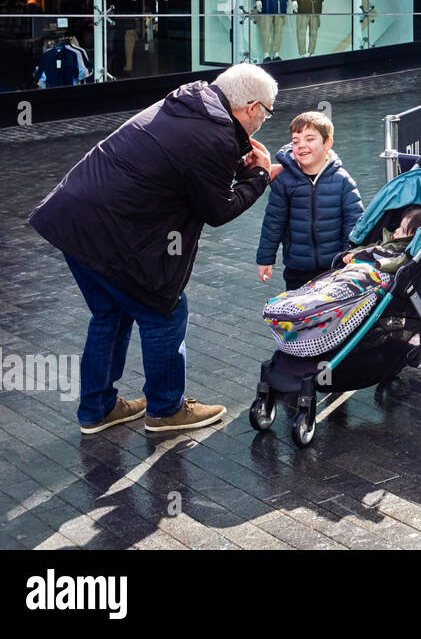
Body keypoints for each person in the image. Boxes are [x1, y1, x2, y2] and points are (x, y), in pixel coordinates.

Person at [28, 64, 282, 434]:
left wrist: (239, 161)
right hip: (112, 232)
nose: (264, 121)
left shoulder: (189, 101)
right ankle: (166, 409)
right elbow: (217, 210)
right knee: (165, 311)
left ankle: (97, 409)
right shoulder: (214, 135)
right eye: (267, 113)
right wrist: (259, 176)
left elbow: (192, 169)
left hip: (72, 218)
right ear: (251, 107)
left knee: (110, 314)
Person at [256, 111, 364, 291]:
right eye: (296, 141)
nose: (301, 145)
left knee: (331, 314)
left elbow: (354, 222)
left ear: (327, 143)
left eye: (310, 139)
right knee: (299, 314)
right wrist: (265, 258)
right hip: (297, 267)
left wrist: (350, 254)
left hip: (335, 267)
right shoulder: (285, 181)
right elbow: (273, 222)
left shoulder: (343, 181)